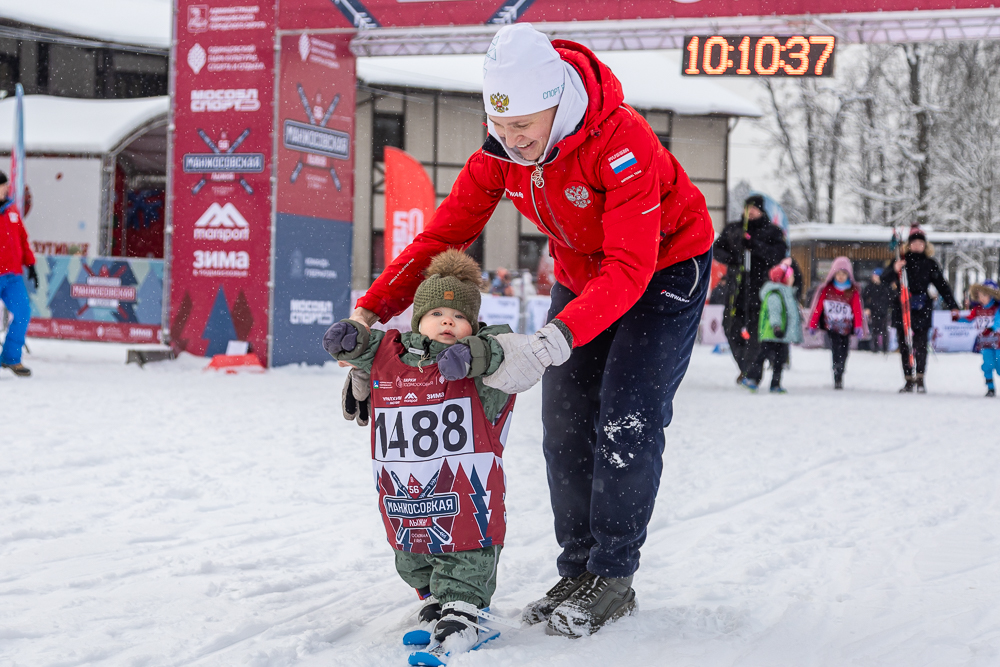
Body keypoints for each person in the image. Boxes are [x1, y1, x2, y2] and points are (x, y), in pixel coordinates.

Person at [344, 24, 714, 638]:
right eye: (500, 125)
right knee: (564, 419)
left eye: (524, 129)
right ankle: (578, 571)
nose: (511, 142)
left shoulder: (622, 142)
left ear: (558, 104)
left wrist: (547, 342)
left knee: (626, 414)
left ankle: (613, 576)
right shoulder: (499, 153)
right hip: (584, 271)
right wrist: (370, 314)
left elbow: (629, 267)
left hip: (663, 269)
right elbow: (441, 238)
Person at [323, 250, 516, 662]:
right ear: (418, 321)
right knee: (411, 547)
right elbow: (368, 345)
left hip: (466, 492)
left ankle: (464, 611)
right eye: (437, 313)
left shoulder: (480, 361)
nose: (448, 321)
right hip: (404, 492)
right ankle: (434, 599)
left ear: (473, 325)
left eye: (459, 316)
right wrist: (350, 338)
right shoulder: (393, 355)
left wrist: (477, 354)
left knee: (464, 548)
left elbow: (502, 351)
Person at [712, 195, 788, 383]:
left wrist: (756, 247)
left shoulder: (772, 231)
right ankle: (746, 367)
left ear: (762, 210)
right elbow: (717, 249)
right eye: (748, 208)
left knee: (756, 333)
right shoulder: (734, 229)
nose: (751, 212)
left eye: (755, 208)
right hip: (736, 290)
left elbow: (778, 255)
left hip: (760, 290)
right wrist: (734, 258)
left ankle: (752, 373)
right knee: (730, 328)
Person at [881, 226, 960, 393]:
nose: (917, 245)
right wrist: (894, 269)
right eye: (914, 242)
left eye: (920, 243)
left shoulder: (930, 264)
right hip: (903, 308)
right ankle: (908, 379)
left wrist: (953, 305)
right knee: (904, 345)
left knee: (921, 344)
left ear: (925, 245)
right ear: (909, 245)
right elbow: (883, 280)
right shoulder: (900, 261)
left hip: (922, 308)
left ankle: (921, 378)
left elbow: (942, 286)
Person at [807, 257, 866, 390]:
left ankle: (841, 368)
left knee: (844, 349)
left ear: (848, 275)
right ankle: (836, 370)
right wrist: (813, 324)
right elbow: (818, 308)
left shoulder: (852, 291)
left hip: (846, 327)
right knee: (835, 348)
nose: (840, 277)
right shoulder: (827, 289)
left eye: (843, 274)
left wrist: (858, 326)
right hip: (832, 326)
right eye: (838, 274)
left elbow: (857, 310)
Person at [0, 170, 36, 377]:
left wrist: (30, 264)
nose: (6, 189)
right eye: (2, 186)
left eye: (5, 186)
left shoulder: (12, 210)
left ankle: (11, 358)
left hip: (12, 276)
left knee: (23, 313)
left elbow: (22, 238)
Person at [744, 263, 801, 393]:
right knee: (762, 356)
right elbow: (775, 312)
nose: (793, 279)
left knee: (780, 360)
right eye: (790, 276)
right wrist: (776, 327)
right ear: (783, 279)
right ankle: (752, 378)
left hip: (781, 334)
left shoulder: (785, 293)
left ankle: (775, 384)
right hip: (773, 333)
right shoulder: (776, 294)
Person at [953, 281, 1000, 397]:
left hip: (998, 343)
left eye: (984, 295)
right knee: (987, 365)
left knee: (999, 366)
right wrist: (958, 318)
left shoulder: (996, 308)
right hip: (985, 344)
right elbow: (969, 318)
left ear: (991, 295)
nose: (981, 299)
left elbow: (998, 321)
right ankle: (990, 388)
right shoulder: (977, 309)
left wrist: (991, 328)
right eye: (979, 296)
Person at [862, 268, 892, 353]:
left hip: (884, 311)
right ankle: (875, 348)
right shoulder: (869, 286)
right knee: (875, 329)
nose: (874, 277)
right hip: (874, 310)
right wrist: (867, 308)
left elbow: (890, 298)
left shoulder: (885, 286)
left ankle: (885, 348)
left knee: (884, 330)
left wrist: (888, 307)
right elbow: (864, 298)